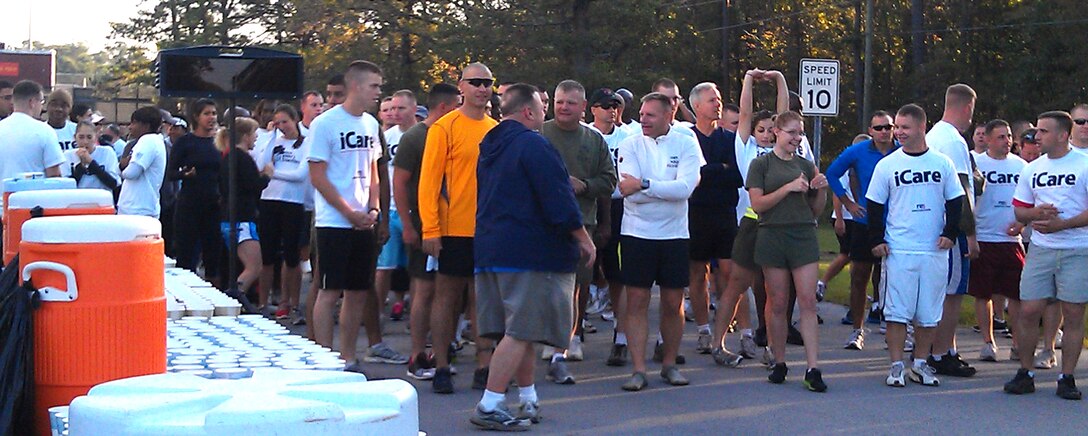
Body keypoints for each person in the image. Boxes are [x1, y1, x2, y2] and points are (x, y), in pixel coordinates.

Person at [469, 83, 595, 430]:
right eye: (542, 106)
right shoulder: (535, 144)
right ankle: (490, 403)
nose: (546, 112)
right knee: (523, 331)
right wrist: (583, 237)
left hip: (491, 249)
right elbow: (557, 199)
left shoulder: (490, 145)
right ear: (528, 111)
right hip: (530, 252)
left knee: (518, 329)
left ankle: (528, 397)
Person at [307, 61, 407, 374]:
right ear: (356, 87)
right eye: (374, 86)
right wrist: (347, 212)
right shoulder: (325, 124)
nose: (379, 93)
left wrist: (374, 209)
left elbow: (376, 173)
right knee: (329, 291)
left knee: (357, 291)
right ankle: (325, 358)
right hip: (334, 222)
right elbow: (318, 175)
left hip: (364, 219)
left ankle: (347, 357)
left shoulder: (369, 125)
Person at [866, 103, 965, 388]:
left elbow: (956, 200)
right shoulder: (889, 165)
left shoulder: (941, 163)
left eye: (904, 127)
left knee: (929, 313)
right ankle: (896, 365)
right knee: (897, 311)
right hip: (900, 250)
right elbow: (874, 204)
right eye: (896, 127)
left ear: (922, 127)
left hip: (934, 251)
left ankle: (920, 363)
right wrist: (877, 239)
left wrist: (951, 232)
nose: (898, 133)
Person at [419, 62, 499, 394]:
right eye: (476, 82)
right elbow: (429, 182)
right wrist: (430, 229)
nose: (482, 89)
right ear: (461, 86)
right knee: (446, 298)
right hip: (452, 229)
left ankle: (484, 365)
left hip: (489, 229)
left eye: (487, 83)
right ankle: (441, 365)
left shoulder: (496, 129)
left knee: (483, 299)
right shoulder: (445, 127)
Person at [616, 92, 703, 391]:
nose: (643, 119)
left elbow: (684, 188)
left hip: (674, 234)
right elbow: (628, 191)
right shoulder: (630, 143)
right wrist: (651, 188)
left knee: (672, 302)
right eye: (641, 113)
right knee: (637, 301)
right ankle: (639, 369)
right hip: (637, 233)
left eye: (650, 114)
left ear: (669, 116)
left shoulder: (686, 142)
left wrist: (645, 184)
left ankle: (669, 363)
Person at [1004, 111, 1088, 400]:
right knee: (1029, 310)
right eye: (1036, 131)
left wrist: (1062, 225)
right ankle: (1025, 373)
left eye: (1043, 131)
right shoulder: (1032, 169)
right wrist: (1035, 214)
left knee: (1074, 313)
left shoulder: (1084, 165)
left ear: (1063, 135)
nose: (1036, 136)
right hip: (1041, 249)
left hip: (1078, 249)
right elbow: (1019, 210)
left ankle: (1066, 378)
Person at [711, 69, 791, 368]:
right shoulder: (747, 150)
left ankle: (772, 347)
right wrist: (747, 79)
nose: (769, 134)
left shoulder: (786, 151)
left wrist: (780, 79)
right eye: (762, 130)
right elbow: (745, 114)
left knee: (774, 291)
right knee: (736, 285)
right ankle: (718, 344)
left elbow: (785, 114)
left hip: (780, 226)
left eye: (773, 129)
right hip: (751, 222)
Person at [539, 80, 617, 383]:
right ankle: (548, 338)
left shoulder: (593, 140)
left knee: (576, 286)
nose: (563, 107)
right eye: (559, 101)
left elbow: (609, 181)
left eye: (570, 103)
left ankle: (572, 334)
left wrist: (584, 185)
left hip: (582, 222)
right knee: (546, 284)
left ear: (583, 107)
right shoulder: (540, 134)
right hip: (543, 223)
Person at [746, 111, 829, 391]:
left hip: (803, 234)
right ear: (777, 132)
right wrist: (789, 188)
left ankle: (813, 367)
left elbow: (815, 210)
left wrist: (821, 190)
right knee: (778, 302)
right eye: (792, 132)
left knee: (807, 301)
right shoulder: (761, 165)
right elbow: (758, 205)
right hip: (772, 234)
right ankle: (779, 361)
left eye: (800, 133)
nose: (797, 138)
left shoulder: (806, 165)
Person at [393, 83, 461, 380]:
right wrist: (408, 226)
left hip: (455, 225)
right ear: (445, 107)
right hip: (423, 224)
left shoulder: (453, 133)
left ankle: (441, 350)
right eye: (458, 104)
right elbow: (399, 182)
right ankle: (417, 354)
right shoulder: (415, 137)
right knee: (424, 290)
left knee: (449, 292)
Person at [824, 111, 899, 350]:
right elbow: (832, 173)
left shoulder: (902, 151)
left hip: (897, 223)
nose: (884, 132)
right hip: (866, 222)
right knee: (859, 276)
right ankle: (857, 330)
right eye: (879, 128)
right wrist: (848, 204)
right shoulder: (859, 151)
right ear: (871, 130)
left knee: (896, 279)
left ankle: (897, 329)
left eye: (888, 127)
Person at [685, 82, 744, 361]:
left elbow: (738, 176)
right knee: (698, 272)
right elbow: (690, 177)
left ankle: (724, 327)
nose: (717, 104)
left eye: (719, 99)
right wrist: (715, 169)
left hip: (724, 212)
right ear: (697, 105)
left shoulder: (729, 139)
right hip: (696, 213)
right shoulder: (687, 138)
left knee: (730, 273)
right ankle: (703, 329)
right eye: (711, 100)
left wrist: (711, 171)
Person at [926, 84, 980, 378]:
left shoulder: (933, 136)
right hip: (953, 226)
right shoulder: (955, 141)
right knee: (953, 292)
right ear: (967, 108)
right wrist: (970, 234)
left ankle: (942, 347)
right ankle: (940, 351)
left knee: (940, 289)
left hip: (934, 223)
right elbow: (960, 192)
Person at [970, 119, 1026, 362]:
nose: (1007, 141)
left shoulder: (1022, 166)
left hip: (1011, 240)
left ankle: (1017, 343)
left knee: (1016, 295)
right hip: (984, 236)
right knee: (984, 294)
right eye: (1001, 137)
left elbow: (1030, 200)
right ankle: (988, 342)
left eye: (1009, 136)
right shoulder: (977, 165)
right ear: (988, 140)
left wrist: (1022, 224)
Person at [587, 87, 635, 366]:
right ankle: (572, 336)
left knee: (620, 277)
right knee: (582, 275)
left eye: (615, 105)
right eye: (605, 105)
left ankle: (621, 337)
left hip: (619, 207)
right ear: (593, 109)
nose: (611, 110)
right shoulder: (586, 135)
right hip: (590, 204)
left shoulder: (628, 136)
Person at [257, 104, 310, 319]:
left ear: (295, 119)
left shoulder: (306, 144)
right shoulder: (273, 141)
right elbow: (261, 165)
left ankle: (292, 302)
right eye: (278, 123)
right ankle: (263, 302)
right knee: (267, 255)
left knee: (291, 255)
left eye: (285, 122)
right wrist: (271, 136)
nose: (282, 127)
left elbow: (300, 174)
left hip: (293, 201)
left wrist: (274, 173)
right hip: (269, 200)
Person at [169, 99, 224, 285]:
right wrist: (185, 174)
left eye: (214, 113)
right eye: (207, 113)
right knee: (187, 253)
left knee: (214, 254)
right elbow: (170, 173)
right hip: (190, 204)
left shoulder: (220, 142)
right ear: (196, 117)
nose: (211, 118)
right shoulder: (185, 142)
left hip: (215, 204)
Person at [218, 117, 272, 297]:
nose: (256, 137)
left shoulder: (227, 157)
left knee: (246, 264)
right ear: (246, 136)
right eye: (254, 134)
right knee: (254, 266)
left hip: (230, 217)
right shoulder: (242, 158)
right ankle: (234, 295)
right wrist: (266, 176)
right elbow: (253, 185)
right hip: (242, 219)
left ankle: (238, 296)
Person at [376, 89, 418, 322]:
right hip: (390, 209)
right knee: (384, 267)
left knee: (417, 268)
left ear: (413, 109)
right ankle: (376, 313)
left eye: (401, 108)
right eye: (392, 109)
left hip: (414, 209)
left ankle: (415, 315)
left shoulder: (424, 135)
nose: (395, 113)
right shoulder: (388, 137)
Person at [819, 133, 869, 326]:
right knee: (849, 255)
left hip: (859, 218)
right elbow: (837, 192)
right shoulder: (851, 168)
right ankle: (822, 282)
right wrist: (839, 217)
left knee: (853, 258)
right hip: (849, 218)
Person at [0, 80, 63, 181]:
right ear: (32, 102)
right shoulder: (45, 131)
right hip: (33, 195)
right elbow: (54, 175)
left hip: (3, 195)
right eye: (41, 101)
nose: (42, 107)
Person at [118, 107, 167, 219]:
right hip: (143, 207)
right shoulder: (156, 141)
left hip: (137, 209)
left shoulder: (148, 140)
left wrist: (124, 167)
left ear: (146, 125)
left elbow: (131, 173)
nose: (130, 127)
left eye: (134, 123)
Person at [62, 121, 120, 192]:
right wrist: (81, 167)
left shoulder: (107, 152)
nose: (85, 141)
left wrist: (91, 163)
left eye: (89, 137)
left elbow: (114, 184)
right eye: (81, 137)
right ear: (75, 138)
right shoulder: (68, 155)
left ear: (95, 138)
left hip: (101, 199)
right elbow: (65, 188)